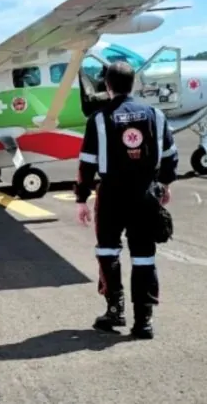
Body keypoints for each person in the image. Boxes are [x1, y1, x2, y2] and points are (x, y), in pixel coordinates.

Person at [74, 61, 178, 340]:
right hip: (145, 194)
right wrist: (164, 184)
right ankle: (143, 321)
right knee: (144, 256)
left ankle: (114, 310)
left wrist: (81, 198)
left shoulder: (98, 119)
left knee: (107, 252)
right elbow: (169, 155)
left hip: (111, 196)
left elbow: (87, 164)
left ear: (106, 86)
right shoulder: (155, 114)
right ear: (133, 84)